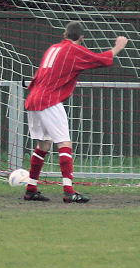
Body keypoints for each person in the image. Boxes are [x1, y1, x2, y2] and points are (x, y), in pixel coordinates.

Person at [22, 21, 127, 203]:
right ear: (81, 38)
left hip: (33, 98)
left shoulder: (53, 48)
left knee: (44, 145)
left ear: (64, 35)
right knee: (64, 143)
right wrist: (118, 47)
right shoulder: (74, 49)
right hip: (49, 100)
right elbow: (101, 59)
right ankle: (69, 191)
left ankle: (31, 189)